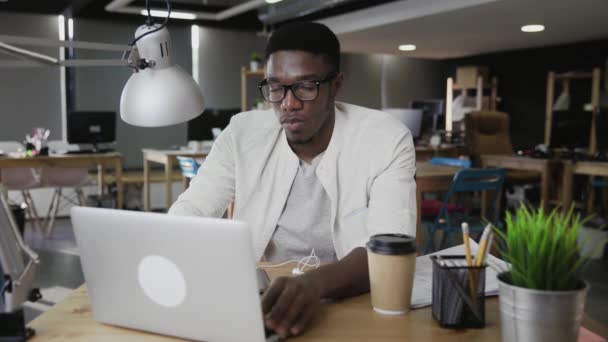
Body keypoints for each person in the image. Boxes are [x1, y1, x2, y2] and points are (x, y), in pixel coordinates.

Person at [169, 22, 416, 338]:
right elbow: (190, 212)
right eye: (275, 87)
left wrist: (314, 284)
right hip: (261, 302)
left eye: (305, 86)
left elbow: (390, 245)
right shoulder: (242, 134)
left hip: (351, 303)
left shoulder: (385, 139)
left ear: (336, 85)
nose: (288, 103)